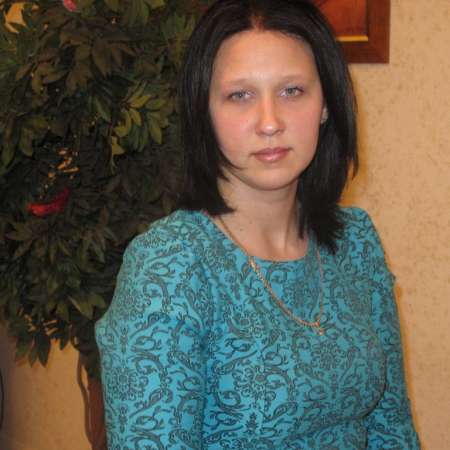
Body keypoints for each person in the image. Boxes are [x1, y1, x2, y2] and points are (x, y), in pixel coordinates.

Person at [95, 0, 421, 448]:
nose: (270, 123)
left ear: (326, 105)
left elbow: (392, 428)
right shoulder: (168, 267)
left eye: (292, 90)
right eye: (240, 95)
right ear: (204, 112)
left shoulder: (355, 240)